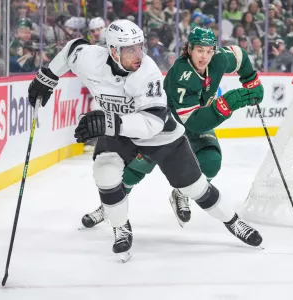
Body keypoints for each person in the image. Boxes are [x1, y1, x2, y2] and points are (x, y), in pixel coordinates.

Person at [27, 20, 263, 261]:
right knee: (104, 172)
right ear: (112, 51)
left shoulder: (147, 71)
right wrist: (47, 77)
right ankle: (121, 227)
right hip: (121, 129)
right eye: (130, 50)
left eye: (139, 47)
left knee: (196, 188)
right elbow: (71, 50)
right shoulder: (90, 59)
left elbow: (152, 123)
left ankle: (233, 222)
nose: (137, 55)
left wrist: (109, 123)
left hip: (160, 134)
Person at [82, 27, 265, 231]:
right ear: (189, 50)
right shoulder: (181, 74)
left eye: (208, 51)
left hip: (198, 118)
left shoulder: (219, 59)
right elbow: (194, 122)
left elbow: (239, 56)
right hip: (165, 127)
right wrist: (231, 102)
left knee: (211, 161)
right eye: (199, 51)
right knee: (134, 170)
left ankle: (181, 193)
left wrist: (251, 80)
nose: (204, 57)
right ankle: (108, 208)